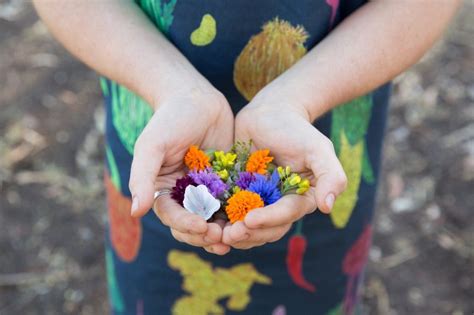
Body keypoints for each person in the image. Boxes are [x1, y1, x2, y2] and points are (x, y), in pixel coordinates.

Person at [33, 1, 460, 314]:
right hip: (164, 137)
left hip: (315, 140)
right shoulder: (174, 162)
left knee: (314, 289)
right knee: (160, 291)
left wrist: (299, 99)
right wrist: (172, 87)